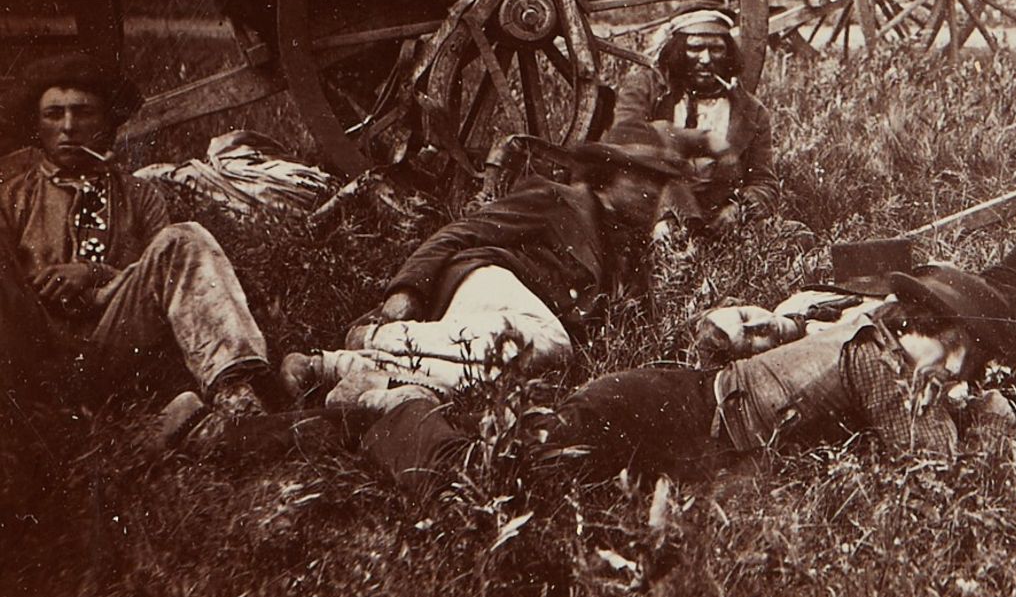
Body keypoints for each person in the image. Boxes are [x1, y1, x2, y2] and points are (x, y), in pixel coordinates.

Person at [224, 187, 1016, 489]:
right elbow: (926, 466)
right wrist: (967, 423)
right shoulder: (878, 351)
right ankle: (368, 408)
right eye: (954, 348)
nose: (953, 368)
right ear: (934, 329)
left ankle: (329, 426)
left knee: (522, 454)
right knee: (505, 469)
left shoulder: (876, 338)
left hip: (674, 401)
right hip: (667, 404)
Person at [276, 109, 702, 414]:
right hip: (492, 284)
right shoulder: (557, 199)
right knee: (548, 345)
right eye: (641, 177)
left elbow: (642, 337)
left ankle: (335, 370)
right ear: (609, 175)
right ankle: (376, 341)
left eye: (660, 182)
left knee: (493, 382)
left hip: (515, 332)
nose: (652, 193)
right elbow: (463, 231)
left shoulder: (631, 254)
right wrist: (406, 289)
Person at [0, 54, 275, 419]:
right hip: (36, 352)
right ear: (37, 124)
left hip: (115, 348)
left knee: (183, 239)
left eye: (83, 113)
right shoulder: (13, 195)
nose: (68, 126)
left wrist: (95, 274)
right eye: (54, 114)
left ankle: (236, 395)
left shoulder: (139, 195)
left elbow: (165, 286)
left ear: (108, 123)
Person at [607, 8, 776, 241]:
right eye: (695, 48)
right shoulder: (646, 89)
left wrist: (738, 209)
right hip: (651, 210)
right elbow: (626, 137)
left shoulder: (751, 111)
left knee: (796, 234)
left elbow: (764, 182)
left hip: (716, 217)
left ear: (728, 54)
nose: (706, 59)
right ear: (677, 51)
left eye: (716, 49)